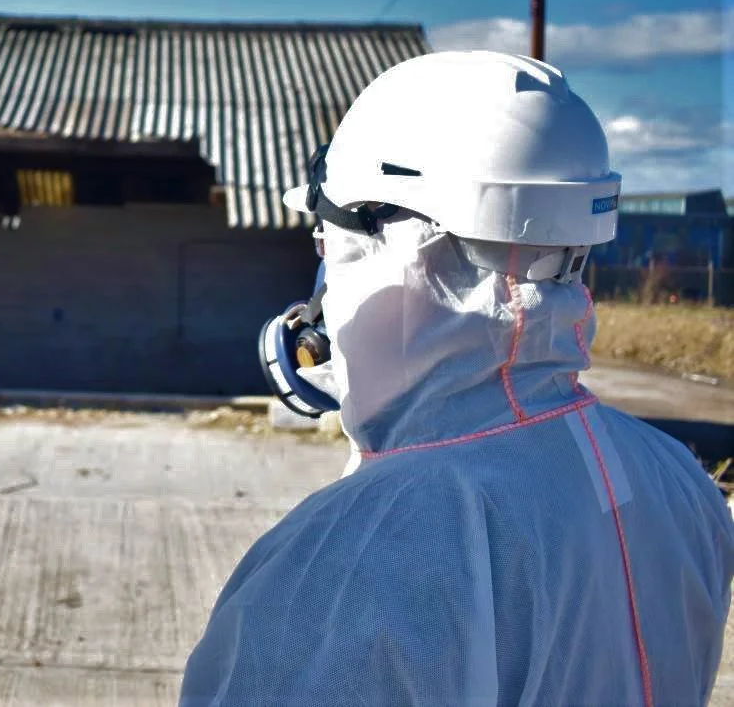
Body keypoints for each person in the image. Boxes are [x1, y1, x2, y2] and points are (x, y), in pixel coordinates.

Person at [183, 50, 734, 706]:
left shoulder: (352, 556)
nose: (323, 300)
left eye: (330, 247)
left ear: (406, 249)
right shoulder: (677, 481)